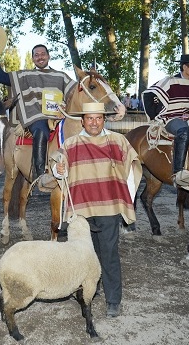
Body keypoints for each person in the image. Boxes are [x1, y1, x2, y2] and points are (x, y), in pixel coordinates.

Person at [50, 102, 142, 319]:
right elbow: (58, 167)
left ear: (104, 119)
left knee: (109, 253)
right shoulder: (71, 143)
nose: (94, 123)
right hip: (82, 209)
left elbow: (134, 165)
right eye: (89, 118)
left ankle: (113, 300)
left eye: (98, 118)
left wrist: (125, 198)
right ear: (82, 121)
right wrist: (59, 168)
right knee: (86, 253)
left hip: (109, 206)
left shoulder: (117, 141)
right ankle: (91, 289)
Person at [0, 44, 77, 184]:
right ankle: (40, 174)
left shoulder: (61, 76)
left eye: (43, 54)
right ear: (33, 59)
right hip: (37, 116)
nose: (40, 57)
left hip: (60, 116)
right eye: (36, 55)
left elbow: (75, 93)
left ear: (48, 56)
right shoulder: (25, 75)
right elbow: (2, 77)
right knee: (41, 130)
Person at [142, 54, 189, 190]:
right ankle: (178, 172)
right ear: (185, 67)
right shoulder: (170, 81)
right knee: (184, 131)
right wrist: (155, 117)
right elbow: (149, 95)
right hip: (169, 119)